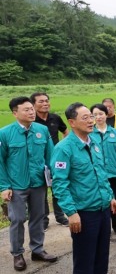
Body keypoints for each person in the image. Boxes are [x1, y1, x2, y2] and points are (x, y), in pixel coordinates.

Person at [51, 102, 116, 274]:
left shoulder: (95, 142)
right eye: (85, 118)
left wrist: (110, 196)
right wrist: (71, 212)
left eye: (91, 117)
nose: (91, 121)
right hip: (83, 212)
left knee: (101, 255)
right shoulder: (64, 148)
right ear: (71, 123)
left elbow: (102, 172)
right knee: (84, 259)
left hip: (102, 208)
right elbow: (59, 184)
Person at [0, 97, 57, 271]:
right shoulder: (5, 133)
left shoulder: (42, 130)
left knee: (38, 217)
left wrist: (54, 177)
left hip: (39, 182)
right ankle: (17, 253)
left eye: (32, 109)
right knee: (17, 219)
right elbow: (0, 162)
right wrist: (4, 187)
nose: (31, 112)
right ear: (15, 113)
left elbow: (51, 155)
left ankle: (37, 250)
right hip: (16, 185)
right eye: (26, 110)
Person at [30, 92, 70, 228]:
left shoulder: (55, 118)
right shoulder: (31, 120)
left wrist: (62, 147)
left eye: (47, 101)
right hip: (38, 160)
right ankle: (44, 220)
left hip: (55, 159)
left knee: (57, 186)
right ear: (33, 105)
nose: (45, 103)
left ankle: (60, 216)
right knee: (41, 190)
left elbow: (65, 131)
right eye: (41, 101)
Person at [91, 104, 116, 236]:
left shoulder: (114, 133)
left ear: (106, 115)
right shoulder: (90, 134)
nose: (98, 117)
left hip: (113, 172)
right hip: (97, 173)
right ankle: (103, 228)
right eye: (95, 115)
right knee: (100, 201)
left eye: (101, 114)